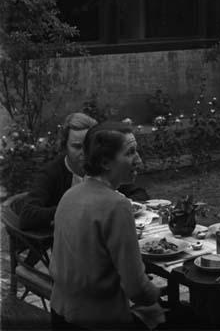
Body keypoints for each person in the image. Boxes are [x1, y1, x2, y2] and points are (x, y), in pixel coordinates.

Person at [50, 121, 163, 330]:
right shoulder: (117, 205)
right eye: (130, 153)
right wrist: (157, 294)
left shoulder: (69, 195)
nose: (138, 160)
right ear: (105, 162)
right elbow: (137, 288)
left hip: (59, 313)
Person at [19, 112, 149, 231]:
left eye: (89, 147)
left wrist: (122, 207)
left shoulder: (105, 171)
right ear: (65, 146)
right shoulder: (51, 173)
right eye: (77, 146)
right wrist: (78, 210)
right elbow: (27, 215)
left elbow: (139, 193)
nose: (85, 153)